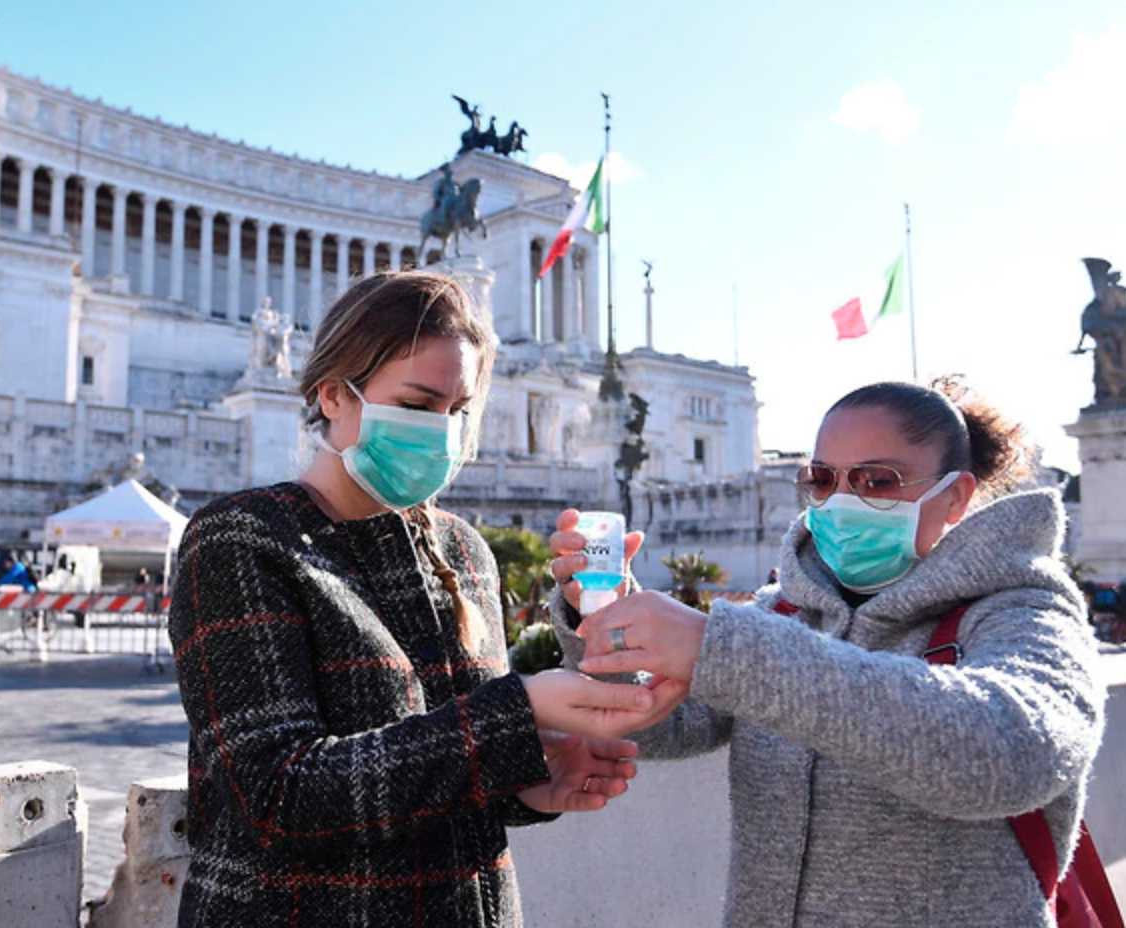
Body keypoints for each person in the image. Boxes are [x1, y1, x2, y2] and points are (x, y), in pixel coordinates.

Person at [167, 270, 679, 927]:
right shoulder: (243, 539)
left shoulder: (465, 552)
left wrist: (532, 785)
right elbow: (277, 798)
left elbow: (448, 769)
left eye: (457, 411)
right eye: (416, 404)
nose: (440, 433)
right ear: (333, 394)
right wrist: (516, 712)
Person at [548, 378, 1106, 928]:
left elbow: (1011, 753)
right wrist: (602, 617)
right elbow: (656, 725)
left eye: (876, 480)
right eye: (822, 479)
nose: (841, 502)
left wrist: (726, 650)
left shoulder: (1023, 607)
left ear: (955, 496)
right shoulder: (783, 610)